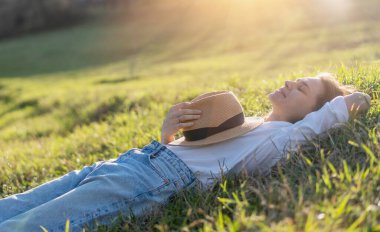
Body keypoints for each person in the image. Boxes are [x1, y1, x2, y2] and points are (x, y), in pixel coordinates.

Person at [0, 73, 371, 231]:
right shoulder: (250, 122)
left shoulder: (280, 138)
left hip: (147, 179)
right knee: (13, 206)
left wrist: (343, 100)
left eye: (302, 88)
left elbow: (341, 110)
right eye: (296, 78)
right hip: (133, 161)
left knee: (25, 226)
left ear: (310, 111)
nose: (290, 82)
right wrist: (167, 135)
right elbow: (189, 151)